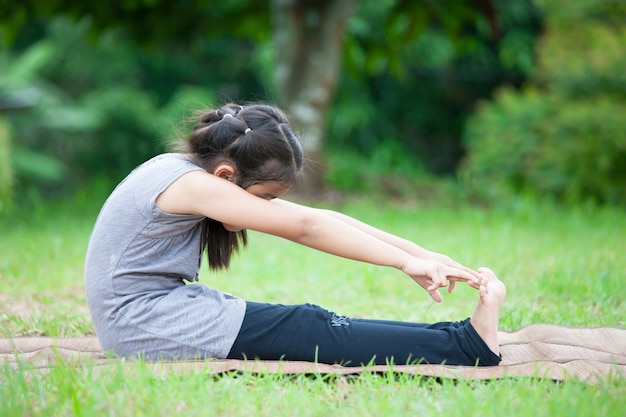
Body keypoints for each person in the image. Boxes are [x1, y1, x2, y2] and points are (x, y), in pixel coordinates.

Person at [84, 103, 506, 367]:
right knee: (312, 326)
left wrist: (419, 252)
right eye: (264, 198)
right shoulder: (194, 184)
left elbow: (317, 215)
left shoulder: (187, 170)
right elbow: (307, 228)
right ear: (228, 174)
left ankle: (461, 337)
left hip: (157, 311)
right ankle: (467, 346)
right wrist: (403, 262)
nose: (265, 209)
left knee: (313, 323)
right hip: (141, 325)